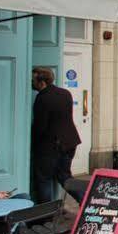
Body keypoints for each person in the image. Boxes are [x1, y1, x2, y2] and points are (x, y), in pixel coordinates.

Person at [31, 67, 82, 205]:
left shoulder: (42, 98)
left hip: (51, 146)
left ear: (42, 82)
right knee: (65, 176)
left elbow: (40, 126)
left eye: (33, 80)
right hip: (70, 141)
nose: (31, 83)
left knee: (44, 180)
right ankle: (84, 198)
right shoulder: (65, 93)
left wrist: (31, 143)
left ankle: (46, 214)